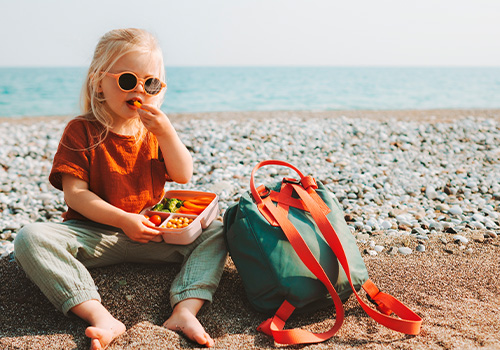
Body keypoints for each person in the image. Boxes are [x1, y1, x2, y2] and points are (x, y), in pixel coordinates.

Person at [14, 28, 227, 349]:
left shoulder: (153, 131)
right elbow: (76, 195)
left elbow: (183, 175)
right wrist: (123, 220)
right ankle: (99, 315)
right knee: (30, 237)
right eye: (128, 80)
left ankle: (185, 309)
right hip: (92, 235)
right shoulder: (81, 130)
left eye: (150, 83)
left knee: (218, 231)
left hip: (152, 233)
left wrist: (168, 133)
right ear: (99, 81)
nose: (139, 89)